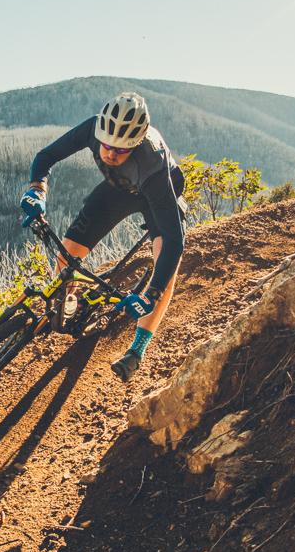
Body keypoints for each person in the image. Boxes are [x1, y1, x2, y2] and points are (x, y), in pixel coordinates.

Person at [19, 91, 185, 383]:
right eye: (106, 146)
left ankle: (137, 350)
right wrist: (37, 190)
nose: (109, 154)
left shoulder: (152, 163)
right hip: (119, 187)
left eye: (120, 150)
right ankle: (67, 306)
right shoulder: (94, 128)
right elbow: (46, 157)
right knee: (67, 253)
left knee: (166, 268)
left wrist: (151, 294)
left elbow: (175, 239)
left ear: (135, 144)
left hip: (157, 193)